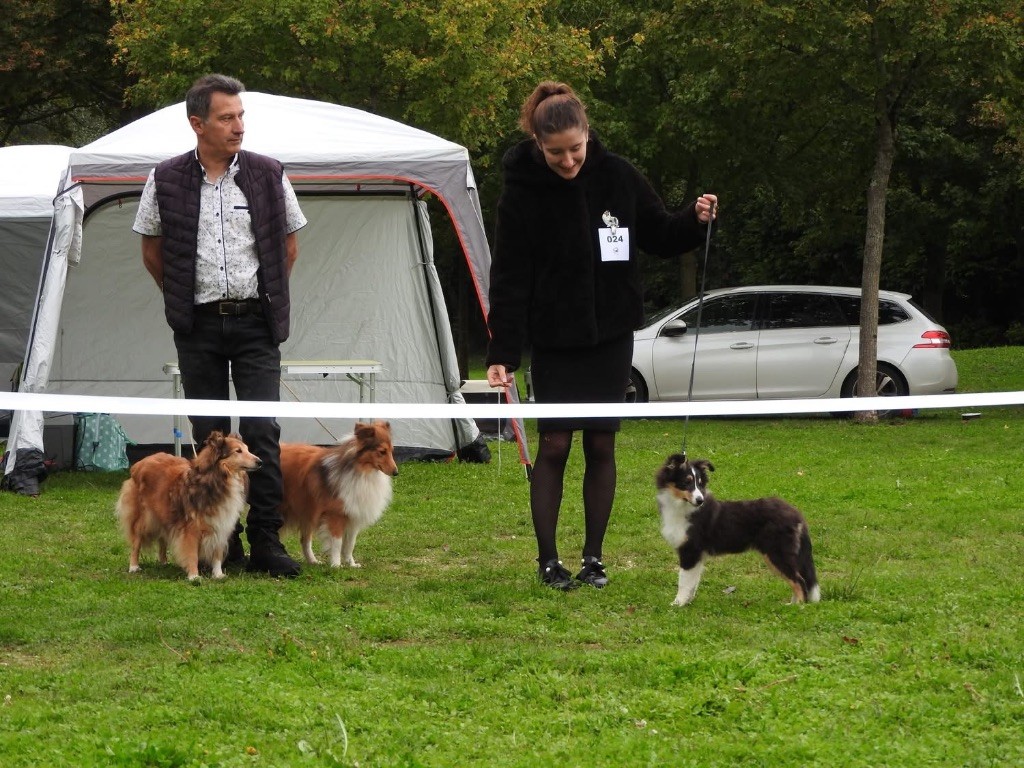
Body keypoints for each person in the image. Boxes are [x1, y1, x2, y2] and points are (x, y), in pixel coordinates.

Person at [486, 81, 718, 590]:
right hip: (554, 339)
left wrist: (694, 219)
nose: (568, 160)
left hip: (610, 336)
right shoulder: (520, 194)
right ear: (538, 144)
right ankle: (549, 562)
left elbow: (661, 233)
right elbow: (508, 278)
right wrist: (502, 349)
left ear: (588, 134)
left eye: (576, 148)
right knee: (554, 447)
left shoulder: (619, 176)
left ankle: (594, 559)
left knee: (601, 445)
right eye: (556, 153)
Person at [133, 74, 308, 577]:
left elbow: (289, 247)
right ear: (198, 123)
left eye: (241, 116)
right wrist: (182, 300)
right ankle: (220, 543)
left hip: (256, 323)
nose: (239, 126)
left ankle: (267, 539)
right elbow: (151, 249)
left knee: (262, 431)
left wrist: (264, 298)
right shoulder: (164, 178)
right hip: (199, 326)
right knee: (209, 437)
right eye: (227, 117)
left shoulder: (268, 172)